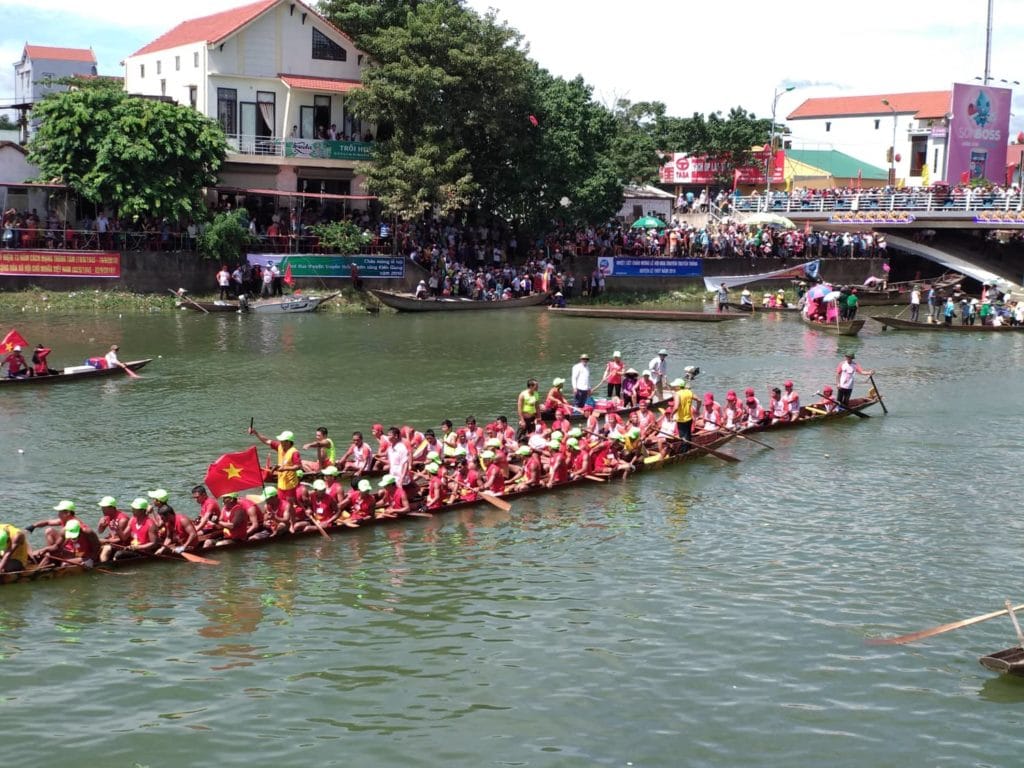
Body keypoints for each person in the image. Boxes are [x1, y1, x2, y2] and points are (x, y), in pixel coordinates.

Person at [249, 427, 302, 504]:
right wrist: (256, 433)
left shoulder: (294, 452)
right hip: (280, 484)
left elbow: (298, 466)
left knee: (290, 505)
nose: (280, 441)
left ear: (288, 442)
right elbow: (267, 441)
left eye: (282, 440)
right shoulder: (280, 446)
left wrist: (284, 468)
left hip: (291, 485)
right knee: (280, 504)